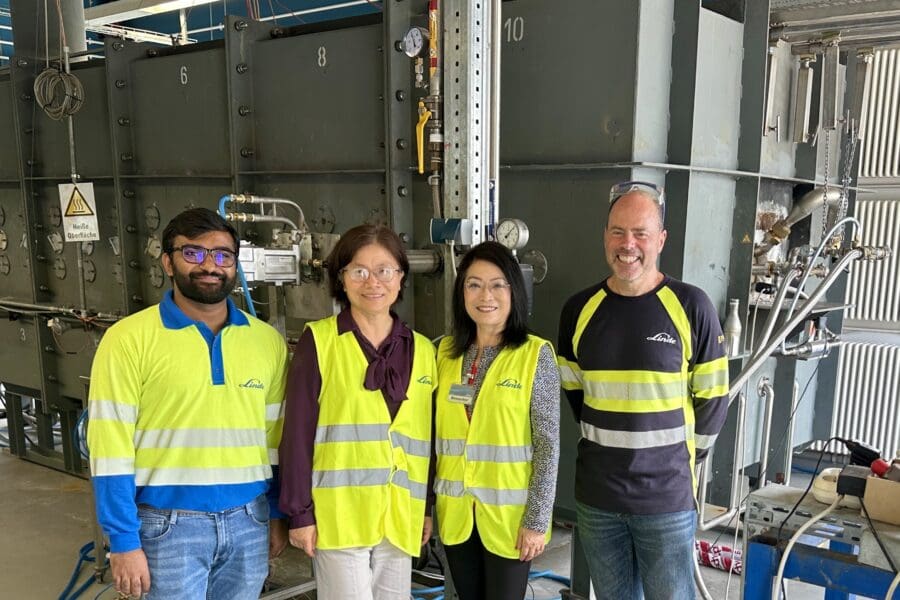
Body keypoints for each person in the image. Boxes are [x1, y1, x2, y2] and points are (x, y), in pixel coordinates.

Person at [87, 207, 289, 600]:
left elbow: (275, 439)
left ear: (235, 265)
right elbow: (109, 448)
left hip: (250, 520)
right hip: (165, 526)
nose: (210, 266)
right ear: (168, 261)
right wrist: (123, 540)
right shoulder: (128, 339)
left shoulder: (267, 342)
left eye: (223, 255)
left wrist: (277, 515)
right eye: (193, 253)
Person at [557, 181, 729, 600]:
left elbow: (713, 400)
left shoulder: (691, 306)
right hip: (599, 500)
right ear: (605, 236)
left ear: (661, 240)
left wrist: (679, 458)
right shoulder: (579, 310)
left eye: (640, 233)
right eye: (617, 231)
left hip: (666, 501)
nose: (627, 244)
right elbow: (577, 395)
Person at [279, 224, 436, 600]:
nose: (373, 282)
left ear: (400, 278)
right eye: (359, 271)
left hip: (400, 513)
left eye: (385, 270)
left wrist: (426, 508)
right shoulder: (319, 342)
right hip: (339, 515)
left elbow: (427, 439)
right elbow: (296, 436)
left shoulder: (424, 349)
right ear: (342, 279)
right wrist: (300, 514)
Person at [434, 241, 560, 600]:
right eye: (473, 284)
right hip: (457, 514)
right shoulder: (442, 352)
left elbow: (548, 446)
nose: (484, 295)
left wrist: (536, 522)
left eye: (496, 284)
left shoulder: (535, 355)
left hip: (510, 520)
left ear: (513, 291)